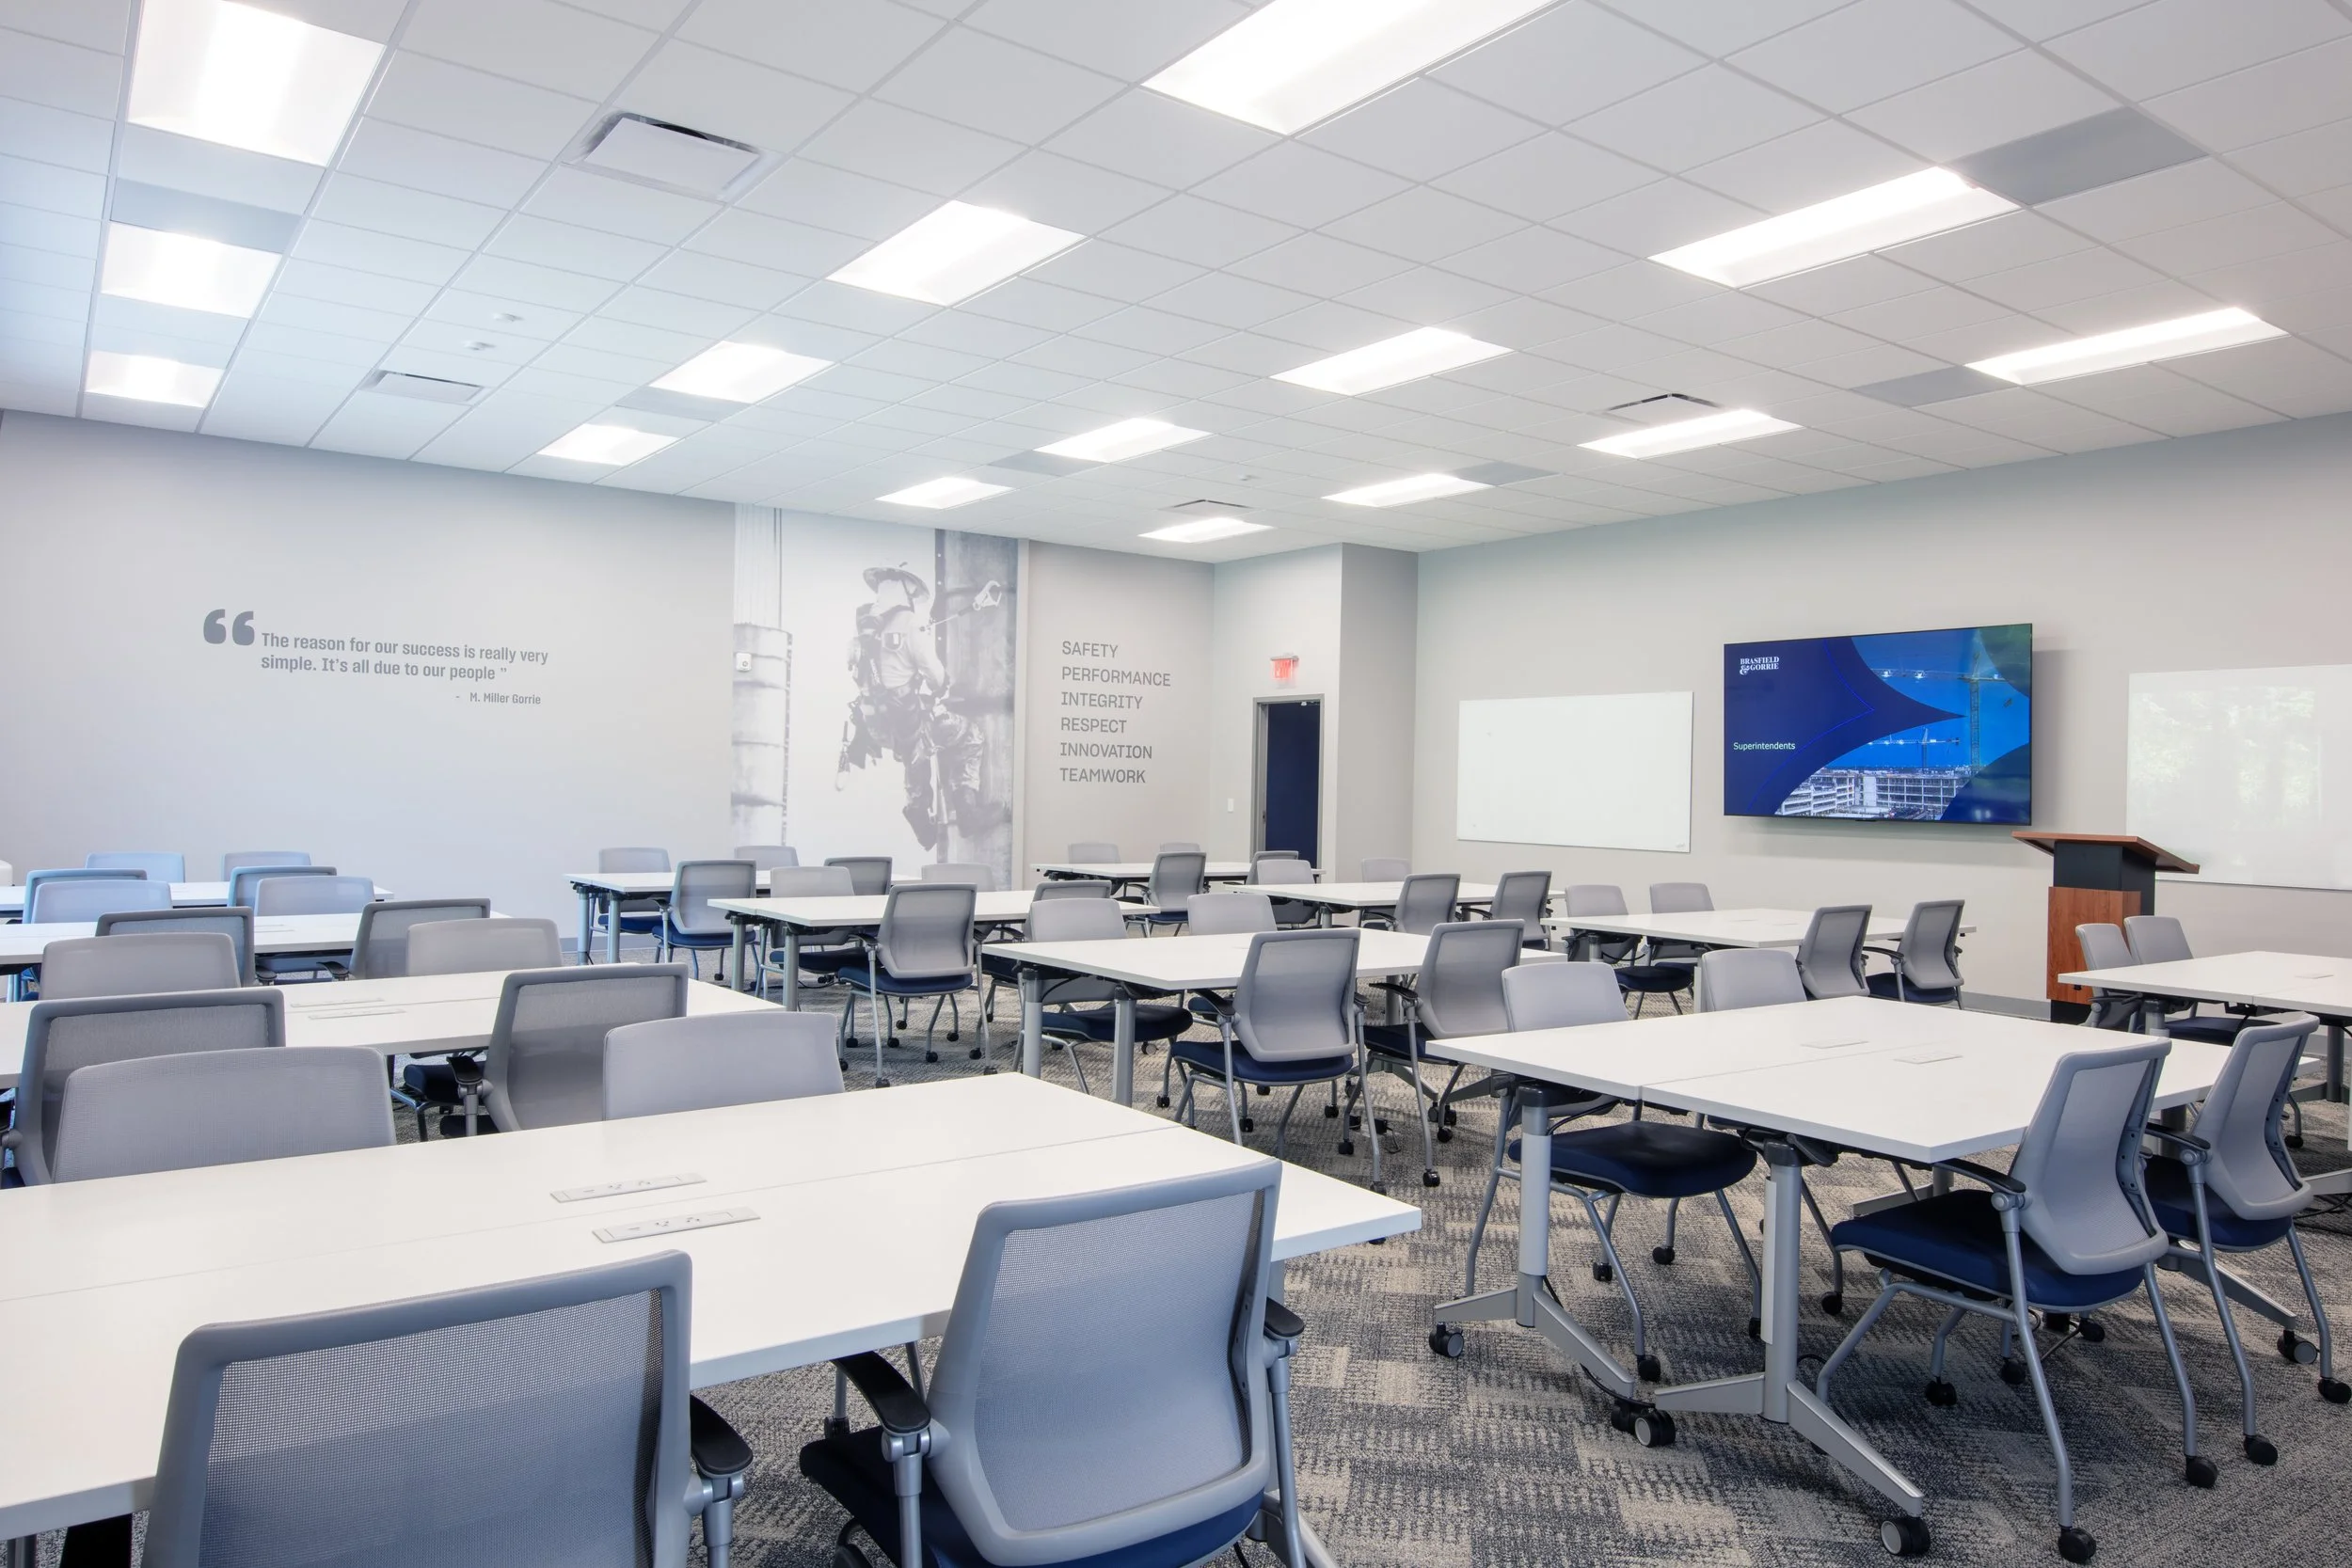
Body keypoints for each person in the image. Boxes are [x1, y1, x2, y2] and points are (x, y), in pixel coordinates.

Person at [836, 565, 1002, 847]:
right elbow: (934, 674)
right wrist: (940, 686)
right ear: (905, 590)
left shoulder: (864, 629)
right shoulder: (910, 624)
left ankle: (918, 813)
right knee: (969, 736)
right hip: (907, 720)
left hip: (876, 726)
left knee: (913, 749)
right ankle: (967, 811)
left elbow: (861, 672)